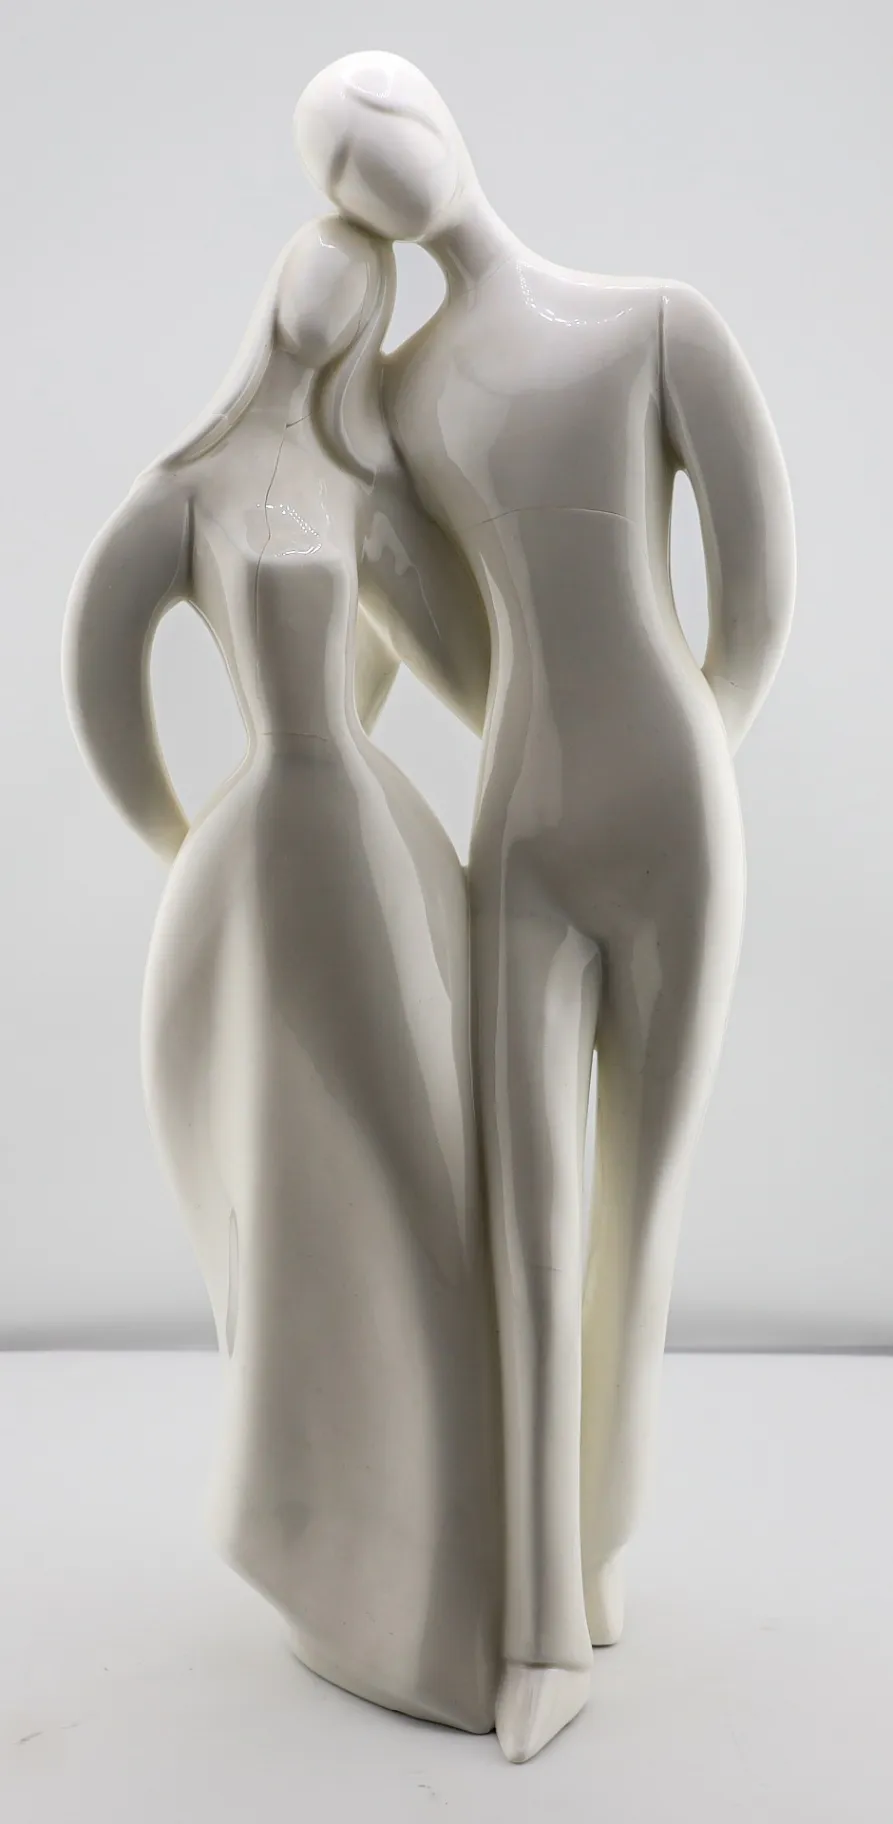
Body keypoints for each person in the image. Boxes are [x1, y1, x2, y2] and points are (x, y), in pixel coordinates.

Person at [296, 52, 796, 1761]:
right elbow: (448, 650)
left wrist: (678, 774)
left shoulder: (656, 323)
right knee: (527, 1227)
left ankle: (593, 1546)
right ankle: (534, 1626)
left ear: (442, 119)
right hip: (527, 829)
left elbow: (758, 599)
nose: (374, 171)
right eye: (339, 167)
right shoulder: (400, 398)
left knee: (632, 1217)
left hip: (669, 816)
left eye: (379, 125)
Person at [62, 215, 499, 1732]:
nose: (335, 293)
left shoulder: (363, 487)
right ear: (280, 286)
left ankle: (439, 1582)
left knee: (427, 1178)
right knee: (296, 1188)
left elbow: (464, 661)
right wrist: (181, 839)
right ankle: (325, 1546)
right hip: (265, 863)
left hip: (370, 850)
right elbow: (101, 668)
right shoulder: (189, 490)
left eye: (364, 282)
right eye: (322, 264)